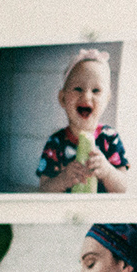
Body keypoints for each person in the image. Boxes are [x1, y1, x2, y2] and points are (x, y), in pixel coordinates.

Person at [37, 49, 128, 193]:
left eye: (96, 90)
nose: (86, 97)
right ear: (62, 98)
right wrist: (63, 179)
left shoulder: (110, 139)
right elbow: (42, 191)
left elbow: (123, 190)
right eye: (78, 89)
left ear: (107, 100)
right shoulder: (55, 142)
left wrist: (108, 172)